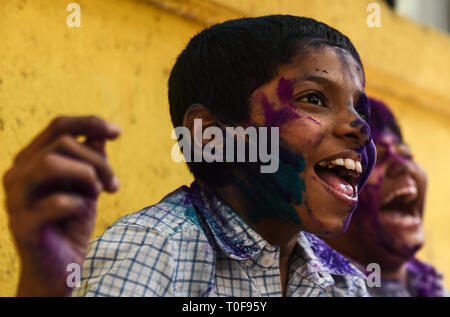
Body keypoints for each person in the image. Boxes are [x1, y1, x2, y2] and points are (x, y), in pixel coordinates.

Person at [3, 15, 376, 297]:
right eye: (313, 98)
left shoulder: (343, 282)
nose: (359, 128)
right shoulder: (153, 250)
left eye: (360, 109)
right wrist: (44, 284)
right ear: (211, 135)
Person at [325, 97, 446, 297]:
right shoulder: (302, 285)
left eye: (405, 154)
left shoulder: (430, 285)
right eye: (376, 157)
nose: (403, 165)